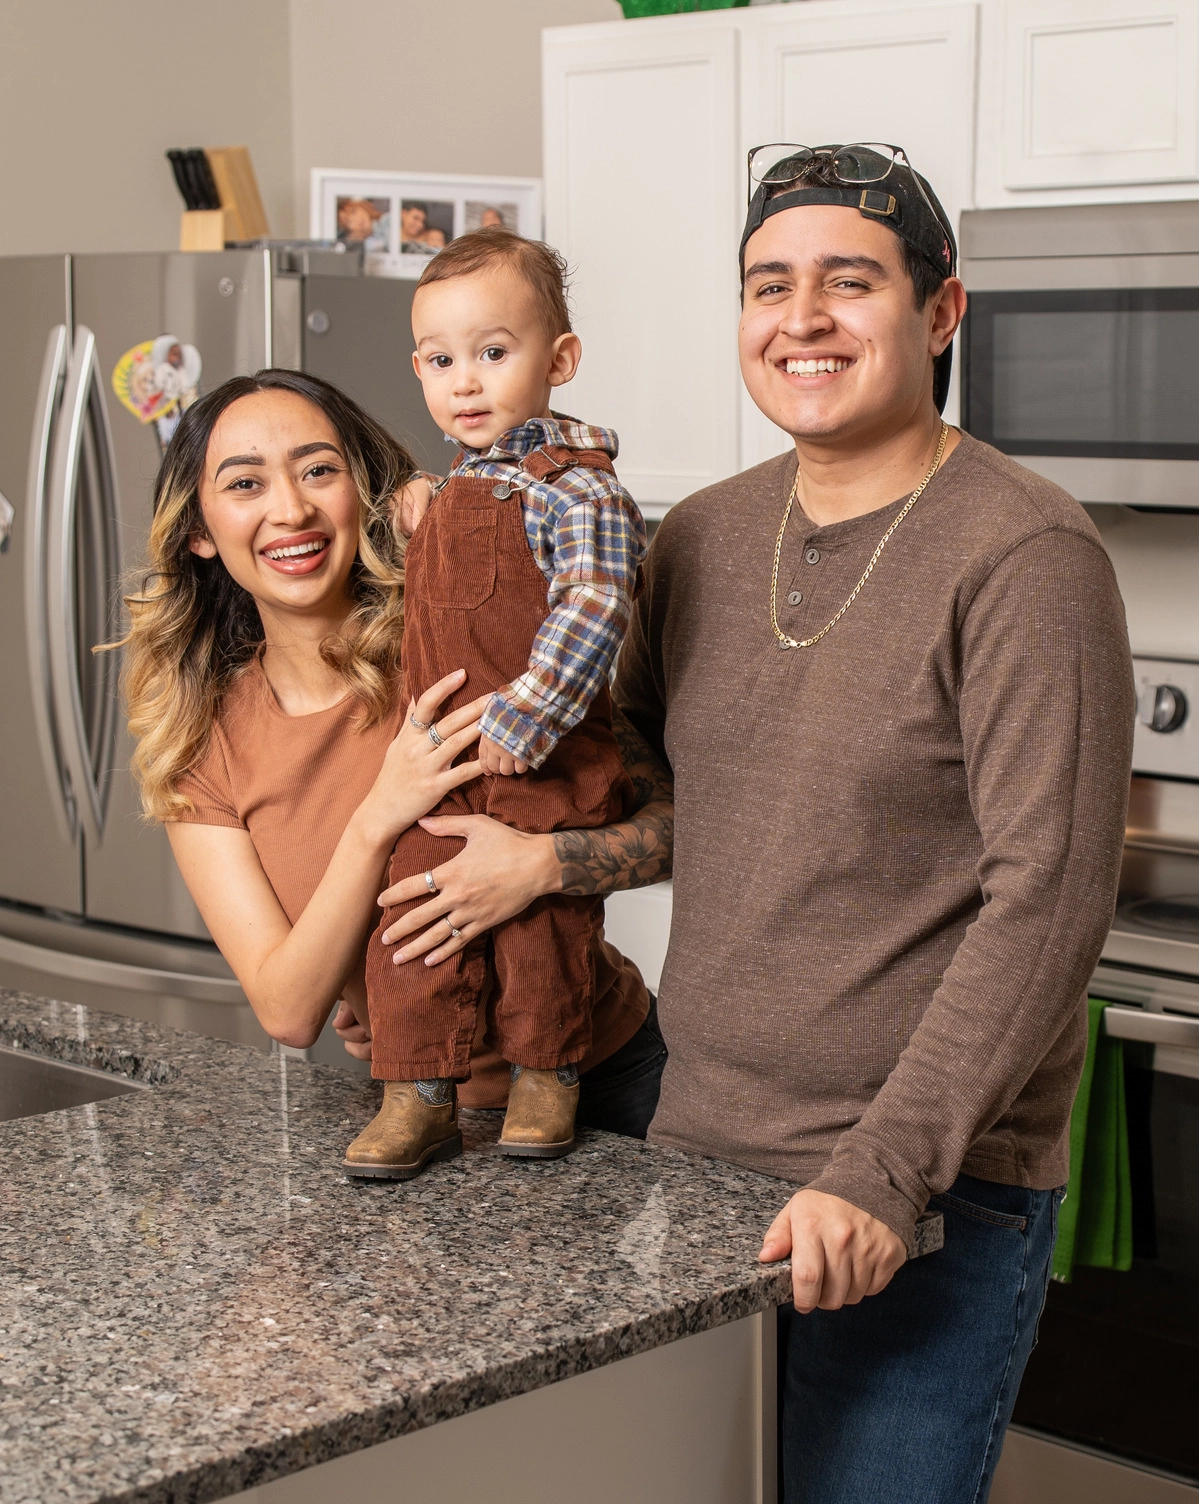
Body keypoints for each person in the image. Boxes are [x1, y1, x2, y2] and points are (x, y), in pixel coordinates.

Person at [392, 144, 1134, 1502]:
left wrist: (882, 1174)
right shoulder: (700, 540)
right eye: (766, 285)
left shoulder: (1024, 556)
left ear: (939, 313)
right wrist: (531, 857)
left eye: (846, 282)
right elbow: (650, 799)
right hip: (691, 1150)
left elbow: (1048, 901)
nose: (799, 319)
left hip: (916, 1193)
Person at [116, 368, 670, 1155]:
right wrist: (380, 814)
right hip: (418, 1116)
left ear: (363, 491)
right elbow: (288, 1007)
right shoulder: (199, 741)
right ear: (199, 531)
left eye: (318, 470)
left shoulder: (464, 637)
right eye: (245, 483)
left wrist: (540, 866)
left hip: (611, 1077)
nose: (291, 509)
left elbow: (671, 828)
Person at [351, 228, 647, 1177]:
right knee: (410, 923)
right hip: (440, 767)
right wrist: (414, 510)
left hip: (538, 760)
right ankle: (418, 1094)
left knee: (540, 932)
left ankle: (545, 1075)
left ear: (557, 360)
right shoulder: (451, 489)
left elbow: (595, 604)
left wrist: (527, 718)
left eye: (493, 352)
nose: (465, 381)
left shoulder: (579, 491)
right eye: (441, 361)